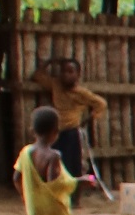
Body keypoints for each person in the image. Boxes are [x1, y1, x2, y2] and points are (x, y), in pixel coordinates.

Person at [41, 56, 108, 206]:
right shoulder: (55, 85)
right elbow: (37, 76)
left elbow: (101, 104)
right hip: (56, 133)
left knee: (74, 167)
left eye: (70, 71)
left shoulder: (81, 93)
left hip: (71, 133)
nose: (66, 75)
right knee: (56, 166)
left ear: (78, 74)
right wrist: (50, 62)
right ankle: (57, 197)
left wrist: (90, 118)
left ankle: (75, 200)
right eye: (63, 71)